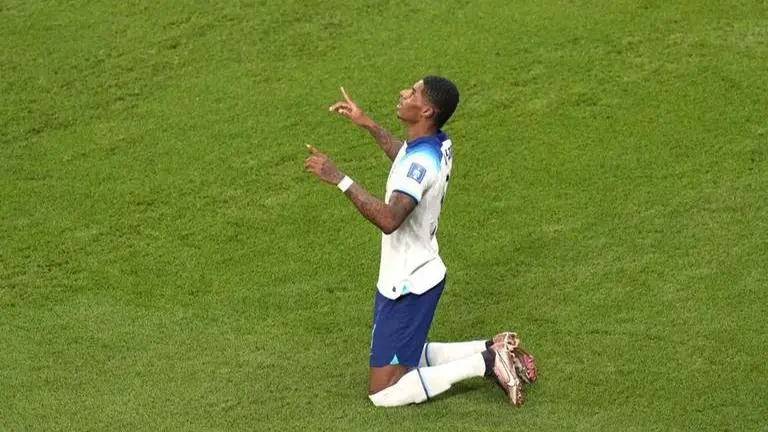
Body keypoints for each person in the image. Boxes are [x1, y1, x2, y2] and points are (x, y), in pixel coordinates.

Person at [304, 76, 535, 407]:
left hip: (408, 284)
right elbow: (404, 157)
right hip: (419, 270)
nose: (403, 93)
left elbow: (389, 219)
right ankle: (492, 346)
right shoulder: (435, 144)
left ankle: (486, 362)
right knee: (402, 359)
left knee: (383, 392)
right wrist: (366, 123)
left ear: (426, 110)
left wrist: (339, 178)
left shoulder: (421, 163)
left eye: (412, 92)